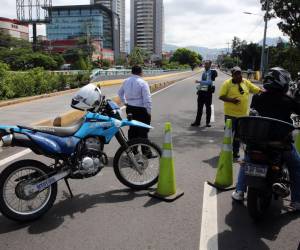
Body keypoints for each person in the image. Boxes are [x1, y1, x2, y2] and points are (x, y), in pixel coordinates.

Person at [232, 67, 300, 211]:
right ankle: (296, 201)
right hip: (280, 143)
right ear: (283, 83)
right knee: (296, 166)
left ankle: (239, 191)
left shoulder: (258, 97)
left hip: (258, 140)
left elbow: (254, 112)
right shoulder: (288, 100)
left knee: (247, 161)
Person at [219, 66, 262, 158]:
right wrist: (232, 100)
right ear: (232, 75)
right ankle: (225, 151)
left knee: (238, 135)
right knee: (228, 134)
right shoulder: (227, 83)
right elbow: (221, 96)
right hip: (230, 114)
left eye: (239, 74)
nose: (239, 76)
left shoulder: (245, 82)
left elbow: (255, 89)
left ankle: (235, 152)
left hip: (242, 115)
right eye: (236, 74)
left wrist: (264, 91)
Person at [118, 65, 153, 157]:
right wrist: (149, 111)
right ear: (141, 72)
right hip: (141, 109)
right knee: (143, 131)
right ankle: (146, 152)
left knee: (132, 130)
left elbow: (120, 93)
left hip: (130, 108)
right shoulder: (143, 82)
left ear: (132, 72)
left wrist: (125, 102)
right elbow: (147, 99)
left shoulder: (126, 81)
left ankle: (133, 151)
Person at [191, 60, 217, 127]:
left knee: (208, 108)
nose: (205, 65)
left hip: (208, 92)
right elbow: (203, 83)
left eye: (207, 64)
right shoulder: (204, 72)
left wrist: (199, 81)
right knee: (199, 107)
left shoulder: (212, 72)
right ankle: (197, 122)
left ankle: (207, 122)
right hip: (202, 92)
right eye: (205, 64)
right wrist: (199, 89)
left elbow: (209, 82)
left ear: (210, 65)